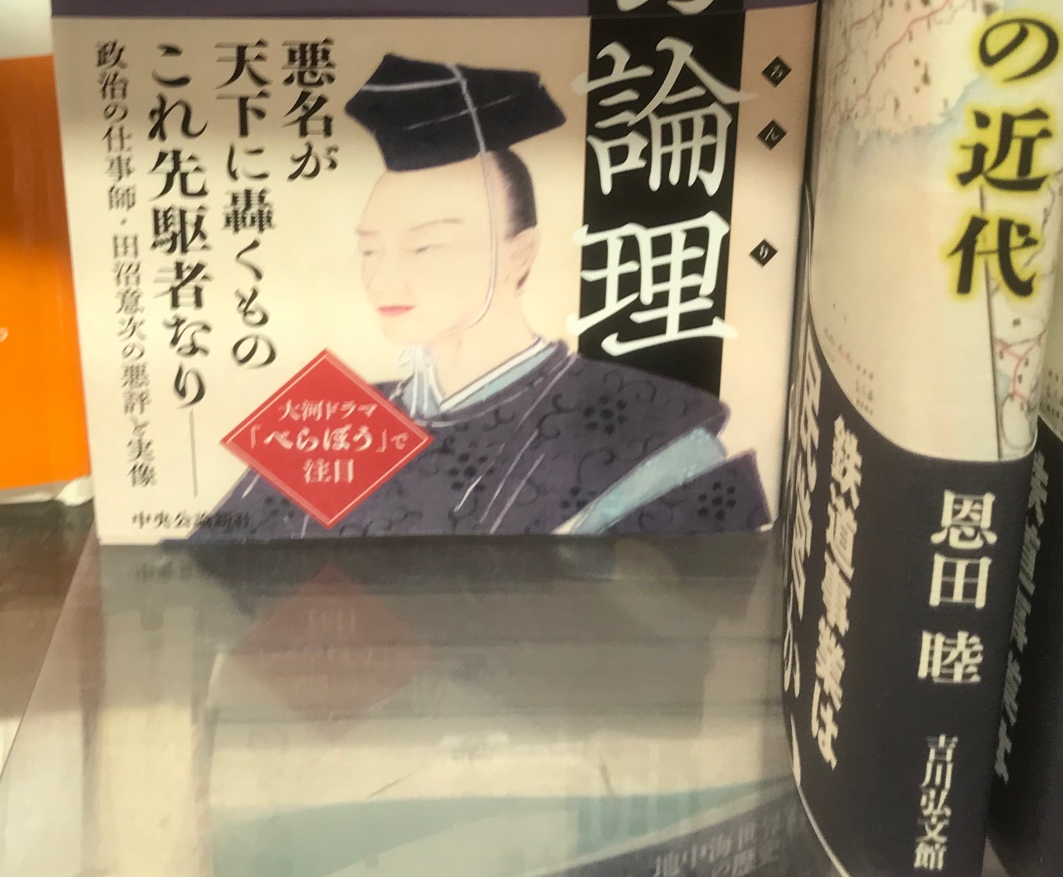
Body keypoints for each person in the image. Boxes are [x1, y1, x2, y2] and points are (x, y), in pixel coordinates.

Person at [203, 55, 770, 539]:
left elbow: (687, 619)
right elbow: (213, 589)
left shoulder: (645, 424)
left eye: (426, 247)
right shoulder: (338, 418)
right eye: (370, 249)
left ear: (520, 253)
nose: (383, 279)